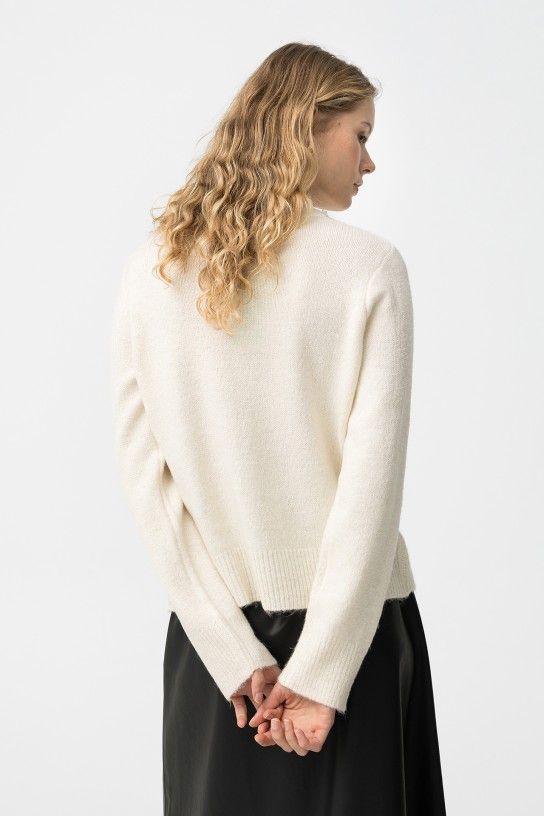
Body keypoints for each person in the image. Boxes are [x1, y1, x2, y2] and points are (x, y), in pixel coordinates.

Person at [111, 41, 447, 816]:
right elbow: (371, 487)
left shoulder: (149, 274)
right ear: (307, 125)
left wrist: (234, 655)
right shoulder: (369, 270)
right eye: (360, 135)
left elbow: (147, 484)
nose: (369, 162)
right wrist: (323, 676)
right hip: (356, 640)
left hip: (220, 666)